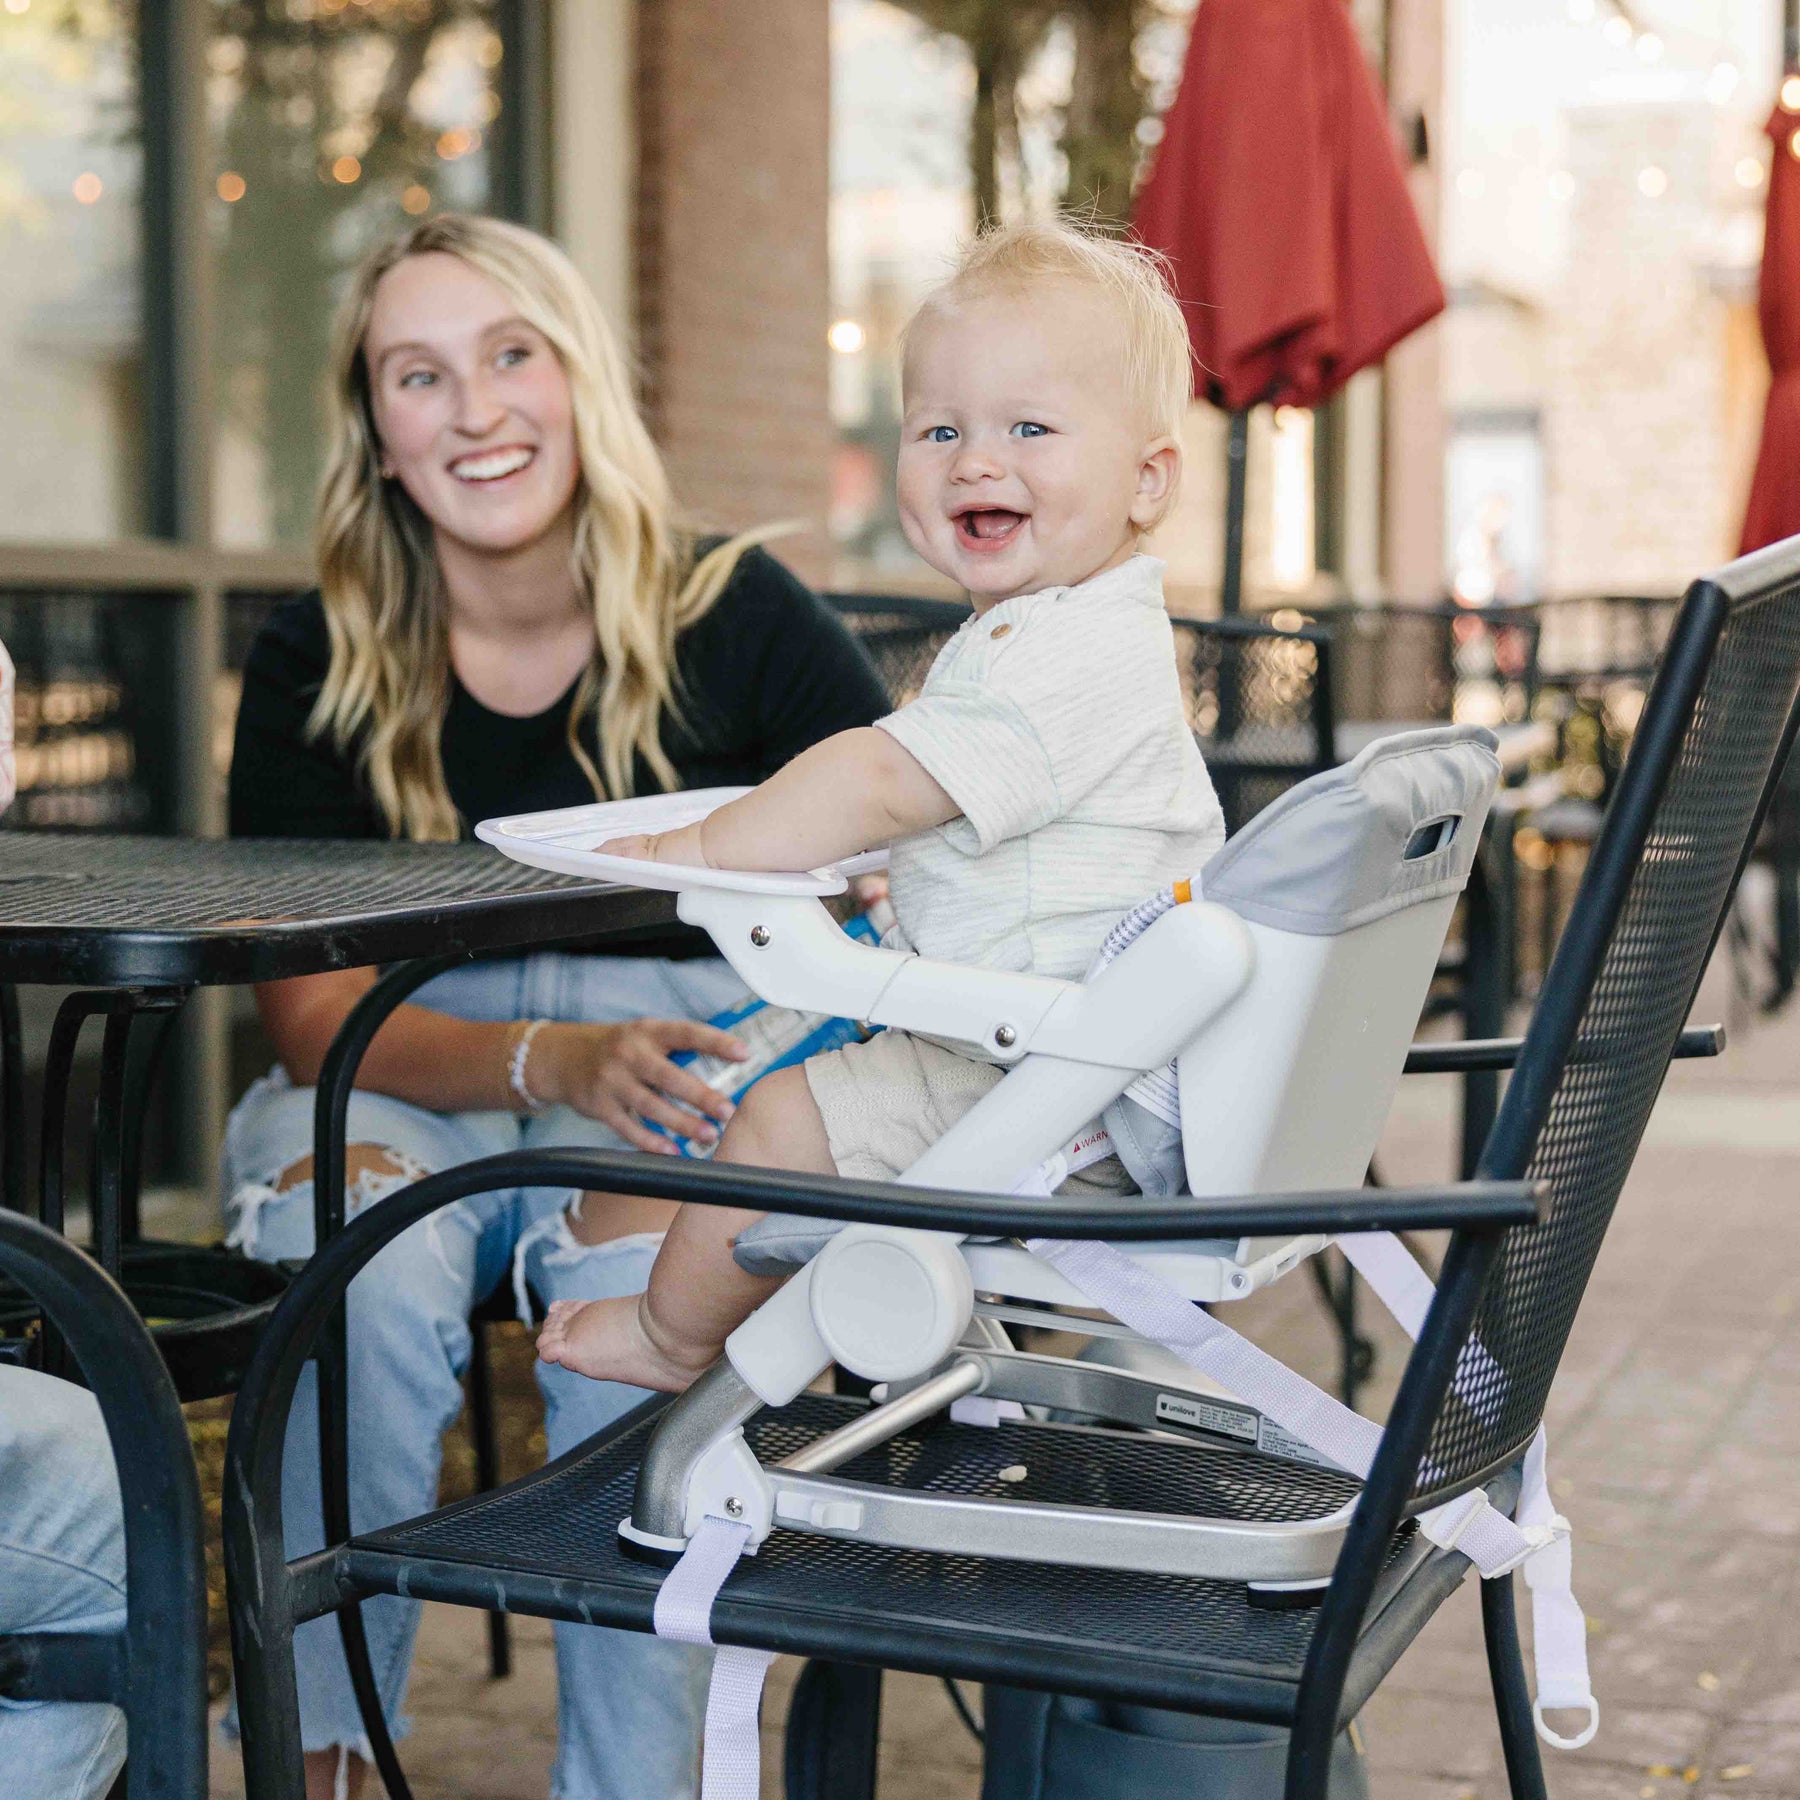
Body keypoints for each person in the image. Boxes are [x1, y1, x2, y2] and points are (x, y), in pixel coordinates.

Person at [223, 213, 890, 1800]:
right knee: (358, 1285)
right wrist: (548, 1057)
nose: (477, 408)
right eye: (420, 374)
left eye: (511, 354)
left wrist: (725, 1073)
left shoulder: (742, 613)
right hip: (403, 1062)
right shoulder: (312, 656)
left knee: (640, 1318)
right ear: (378, 437)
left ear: (580, 379)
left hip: (687, 1066)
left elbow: (893, 904)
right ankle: (322, 1771)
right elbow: (313, 1023)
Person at [537, 219, 1226, 1393]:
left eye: (1029, 428)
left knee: (777, 1123)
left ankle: (670, 1338)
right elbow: (973, 824)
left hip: (1040, 1087)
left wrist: (702, 846)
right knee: (807, 1080)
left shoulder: (1067, 650)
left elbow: (876, 777)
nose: (974, 460)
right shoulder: (1068, 630)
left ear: (1147, 479)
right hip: (1072, 1063)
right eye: (939, 429)